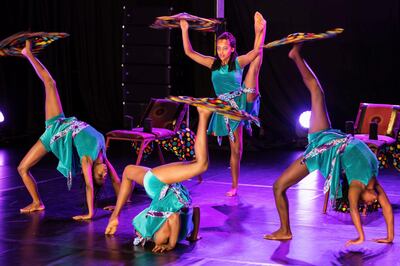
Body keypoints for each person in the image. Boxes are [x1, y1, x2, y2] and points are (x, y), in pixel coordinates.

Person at [264, 44, 394, 246]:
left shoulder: (356, 187)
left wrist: (360, 236)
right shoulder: (374, 182)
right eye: (374, 203)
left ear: (362, 199)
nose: (374, 203)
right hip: (329, 136)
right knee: (317, 91)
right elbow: (387, 207)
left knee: (278, 186)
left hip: (321, 152)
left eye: (368, 206)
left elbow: (353, 210)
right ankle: (296, 56)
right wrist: (390, 237)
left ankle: (284, 230)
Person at [17, 40, 121, 220]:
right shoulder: (102, 153)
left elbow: (89, 186)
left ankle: (37, 202)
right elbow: (117, 180)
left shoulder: (87, 160)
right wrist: (120, 203)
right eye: (104, 175)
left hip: (54, 134)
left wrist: (90, 213)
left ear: (93, 172)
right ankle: (28, 53)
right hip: (61, 121)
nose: (104, 173)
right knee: (50, 83)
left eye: (100, 176)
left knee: (22, 168)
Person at [179, 12, 266, 196]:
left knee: (254, 68)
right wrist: (184, 29)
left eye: (225, 48)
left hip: (240, 102)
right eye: (219, 48)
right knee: (236, 150)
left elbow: (255, 53)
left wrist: (259, 34)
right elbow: (189, 52)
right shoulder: (213, 64)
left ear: (232, 49)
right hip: (223, 108)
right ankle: (234, 185)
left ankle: (261, 29)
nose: (221, 52)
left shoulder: (237, 62)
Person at [105, 107, 210, 253]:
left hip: (158, 184)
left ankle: (203, 114)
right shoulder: (174, 233)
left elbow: (183, 215)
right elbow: (194, 211)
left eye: (137, 233)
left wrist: (178, 241)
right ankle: (203, 114)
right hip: (162, 185)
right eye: (139, 234)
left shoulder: (163, 237)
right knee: (199, 164)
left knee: (200, 164)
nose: (137, 233)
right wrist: (192, 236)